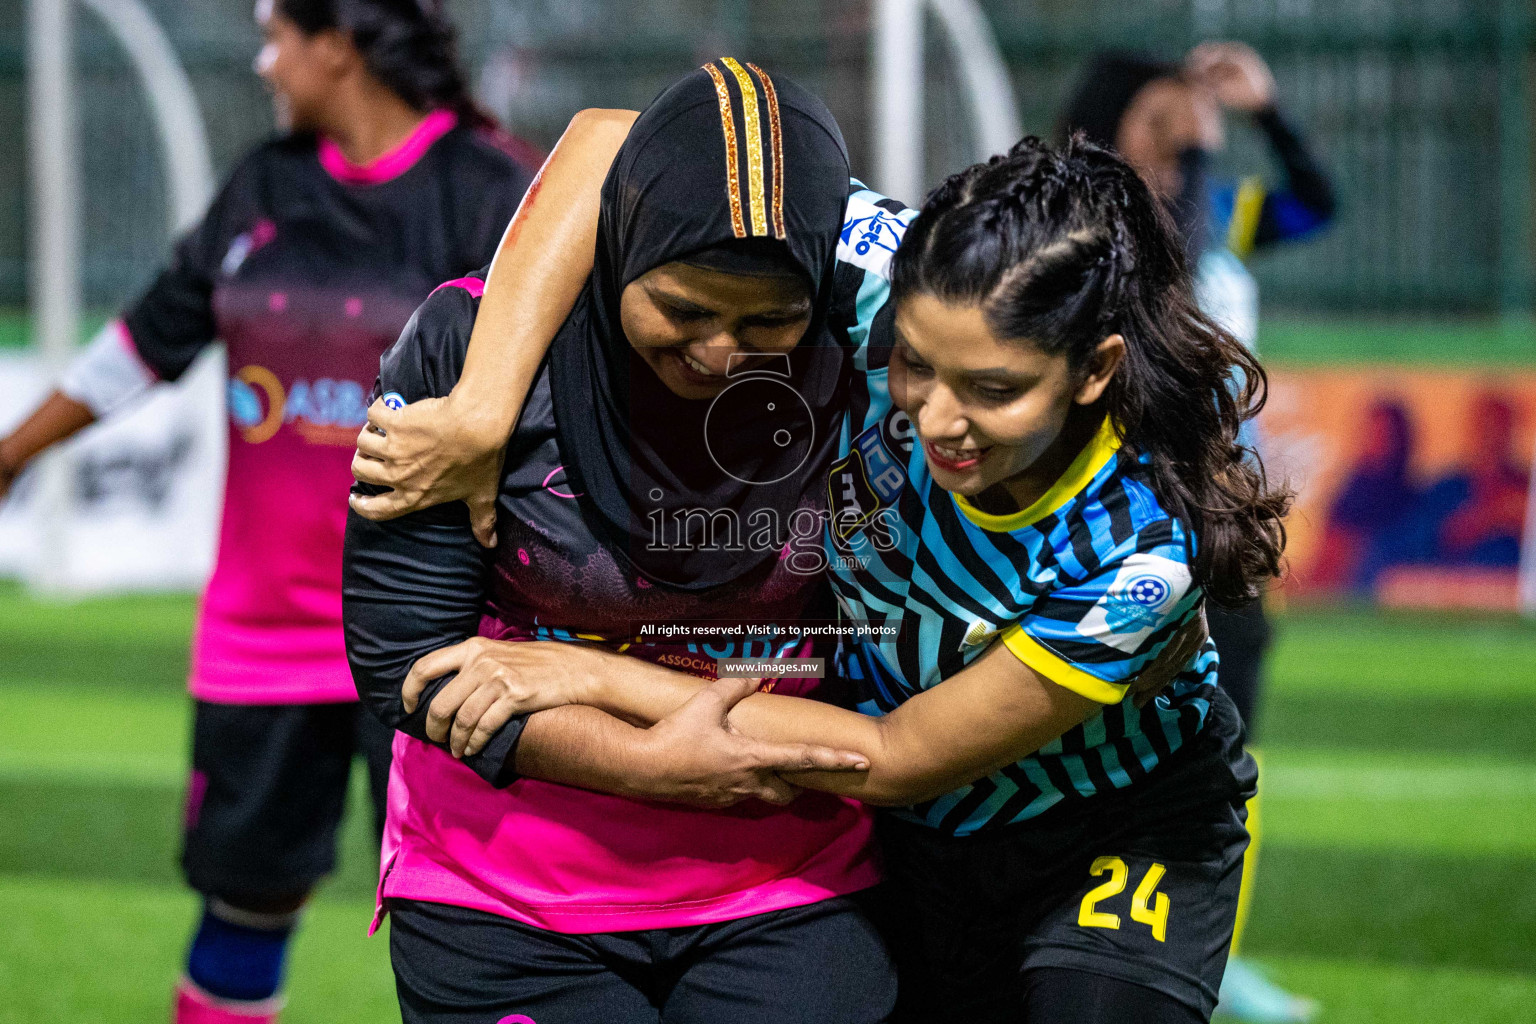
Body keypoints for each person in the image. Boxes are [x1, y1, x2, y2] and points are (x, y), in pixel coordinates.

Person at [350, 117, 1287, 1021]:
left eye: (995, 390)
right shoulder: (894, 271)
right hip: (915, 844)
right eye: (917, 367)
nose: (938, 420)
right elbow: (617, 137)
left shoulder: (1142, 548)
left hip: (1101, 815)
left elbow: (899, 757)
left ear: (1093, 371)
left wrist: (590, 673)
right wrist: (480, 406)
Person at [0, 2, 536, 1021]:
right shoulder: (264, 186)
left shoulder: (492, 188)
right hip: (261, 637)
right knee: (244, 901)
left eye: (277, 35)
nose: (264, 62)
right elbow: (155, 332)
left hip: (436, 635)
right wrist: (17, 450)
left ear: (336, 46)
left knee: (461, 915)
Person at [342, 63, 903, 1024]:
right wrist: (646, 766)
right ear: (621, 248)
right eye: (683, 312)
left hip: (792, 881)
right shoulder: (467, 347)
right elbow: (402, 657)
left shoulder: (881, 340)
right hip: (502, 897)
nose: (723, 352)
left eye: (769, 321)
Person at [1060, 43, 1336, 1023]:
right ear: (1111, 125)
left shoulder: (1219, 216)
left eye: (1191, 129)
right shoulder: (1083, 226)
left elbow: (1318, 202)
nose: (1186, 142)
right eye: (1164, 123)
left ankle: (1208, 951)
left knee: (1222, 738)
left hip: (1216, 514)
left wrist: (1264, 116)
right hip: (1125, 513)